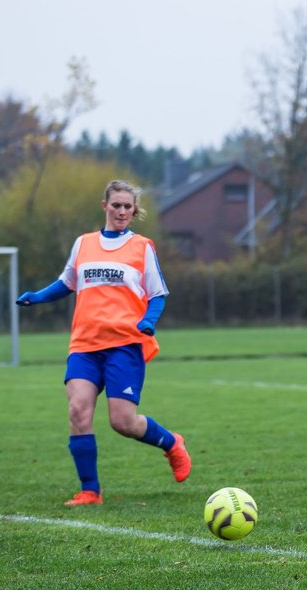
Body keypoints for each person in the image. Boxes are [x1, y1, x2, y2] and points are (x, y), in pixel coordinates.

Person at [16, 179, 191, 505]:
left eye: (128, 206)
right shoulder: (83, 243)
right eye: (117, 205)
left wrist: (148, 321)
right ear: (105, 206)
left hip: (124, 345)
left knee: (122, 422)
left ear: (134, 210)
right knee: (78, 411)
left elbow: (158, 295)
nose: (122, 211)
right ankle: (90, 491)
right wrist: (37, 297)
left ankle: (171, 444)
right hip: (84, 345)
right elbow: (66, 283)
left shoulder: (142, 246)